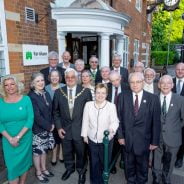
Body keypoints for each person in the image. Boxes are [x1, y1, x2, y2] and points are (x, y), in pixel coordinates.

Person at [117, 72, 161, 184]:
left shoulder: (153, 98)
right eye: (132, 82)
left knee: (142, 167)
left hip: (144, 141)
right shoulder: (122, 97)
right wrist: (120, 136)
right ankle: (130, 181)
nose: (135, 85)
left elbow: (156, 122)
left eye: (138, 82)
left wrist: (154, 141)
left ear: (143, 82)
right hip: (127, 140)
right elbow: (118, 118)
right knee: (129, 166)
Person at [53, 68, 92, 184]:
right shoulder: (59, 92)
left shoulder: (85, 91)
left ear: (77, 78)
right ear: (65, 78)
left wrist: (87, 130)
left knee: (81, 152)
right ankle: (69, 168)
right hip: (65, 129)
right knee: (67, 151)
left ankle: (81, 171)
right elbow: (56, 112)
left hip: (80, 129)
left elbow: (89, 113)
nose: (70, 79)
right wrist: (59, 127)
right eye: (67, 77)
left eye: (72, 77)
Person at [81, 83, 119, 184]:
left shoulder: (111, 106)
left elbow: (115, 121)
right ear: (95, 93)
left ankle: (102, 181)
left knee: (104, 163)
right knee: (94, 163)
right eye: (98, 92)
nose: (100, 95)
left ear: (106, 94)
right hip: (92, 139)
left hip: (106, 141)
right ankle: (94, 181)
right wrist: (84, 135)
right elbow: (85, 121)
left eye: (103, 93)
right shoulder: (88, 105)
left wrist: (111, 129)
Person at [0, 75, 34, 184]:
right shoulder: (0, 101)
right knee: (12, 167)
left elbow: (30, 119)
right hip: (8, 140)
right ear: (3, 87)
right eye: (6, 85)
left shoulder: (26, 99)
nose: (9, 87)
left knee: (24, 163)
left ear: (17, 85)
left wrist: (18, 137)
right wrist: (10, 138)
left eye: (12, 84)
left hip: (24, 138)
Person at [152, 75, 184, 184]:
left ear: (172, 85)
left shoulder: (180, 99)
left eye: (168, 83)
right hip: (157, 138)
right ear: (159, 85)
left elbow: (183, 119)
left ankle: (166, 179)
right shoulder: (153, 98)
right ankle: (156, 179)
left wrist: (174, 128)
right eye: (163, 83)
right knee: (156, 161)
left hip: (173, 138)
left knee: (169, 163)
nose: (165, 85)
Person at [28, 72, 55, 183]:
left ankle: (44, 169)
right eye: (37, 81)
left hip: (48, 129)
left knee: (44, 151)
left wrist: (52, 124)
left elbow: (51, 111)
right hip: (38, 130)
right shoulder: (31, 97)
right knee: (37, 153)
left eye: (42, 80)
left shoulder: (46, 93)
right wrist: (49, 126)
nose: (40, 83)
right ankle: (38, 172)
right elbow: (36, 116)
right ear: (33, 83)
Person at [107, 71, 129, 174]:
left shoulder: (127, 87)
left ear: (120, 77)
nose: (115, 83)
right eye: (112, 81)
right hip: (110, 119)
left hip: (124, 119)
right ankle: (112, 164)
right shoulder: (106, 87)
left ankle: (124, 161)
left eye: (116, 80)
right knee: (113, 144)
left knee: (123, 142)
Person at [45, 70, 65, 166]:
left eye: (56, 76)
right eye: (52, 76)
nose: (54, 78)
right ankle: (54, 155)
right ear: (49, 77)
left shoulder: (63, 86)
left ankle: (61, 153)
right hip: (50, 116)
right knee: (53, 137)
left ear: (59, 77)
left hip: (62, 116)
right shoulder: (46, 88)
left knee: (61, 136)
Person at [172, 63, 184, 168]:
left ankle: (180, 158)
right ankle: (168, 156)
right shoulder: (169, 81)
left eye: (182, 69)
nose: (180, 71)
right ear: (175, 70)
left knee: (183, 137)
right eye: (178, 69)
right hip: (171, 115)